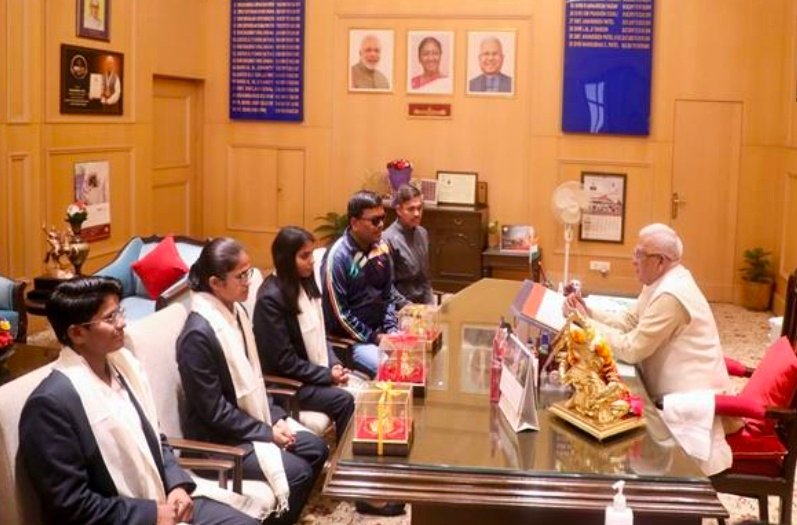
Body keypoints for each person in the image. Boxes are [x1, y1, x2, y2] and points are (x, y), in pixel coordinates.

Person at [19, 276, 260, 525]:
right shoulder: (50, 405)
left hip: (161, 499)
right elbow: (70, 504)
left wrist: (176, 484)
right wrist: (152, 513)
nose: (122, 322)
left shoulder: (123, 367)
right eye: (110, 318)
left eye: (119, 312)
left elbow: (155, 438)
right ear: (77, 333)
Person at [563, 223, 736, 476]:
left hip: (687, 405)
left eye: (640, 254)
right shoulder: (660, 281)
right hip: (664, 393)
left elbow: (632, 349)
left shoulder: (671, 296)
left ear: (660, 261)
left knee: (607, 430)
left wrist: (585, 324)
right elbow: (629, 321)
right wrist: (588, 312)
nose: (633, 260)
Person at [177, 238, 328, 525]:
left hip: (251, 422)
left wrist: (276, 418)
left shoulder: (237, 312)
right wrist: (266, 432)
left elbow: (255, 382)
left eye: (249, 272)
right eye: (241, 276)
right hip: (217, 442)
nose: (249, 281)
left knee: (316, 449)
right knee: (298, 473)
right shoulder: (197, 335)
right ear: (215, 283)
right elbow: (214, 412)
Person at [253, 226, 355, 442]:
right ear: (286, 259)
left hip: (310, 375)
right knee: (345, 400)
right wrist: (327, 375)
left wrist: (334, 364)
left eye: (311, 254)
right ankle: (344, 459)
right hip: (288, 384)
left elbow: (321, 333)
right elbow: (284, 362)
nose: (311, 261)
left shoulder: (305, 284)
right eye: (304, 256)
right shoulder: (270, 300)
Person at [321, 190, 399, 378]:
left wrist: (391, 330)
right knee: (394, 371)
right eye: (374, 221)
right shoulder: (338, 257)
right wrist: (375, 337)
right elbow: (340, 315)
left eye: (383, 218)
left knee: (416, 362)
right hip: (355, 340)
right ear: (354, 223)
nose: (381, 225)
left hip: (381, 331)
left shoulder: (381, 247)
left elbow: (388, 295)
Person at [382, 184, 434, 307]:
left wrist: (430, 305)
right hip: (400, 306)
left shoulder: (422, 233)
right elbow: (388, 288)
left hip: (421, 303)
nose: (417, 213)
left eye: (419, 208)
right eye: (411, 209)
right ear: (399, 210)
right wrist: (411, 309)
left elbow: (425, 278)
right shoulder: (387, 239)